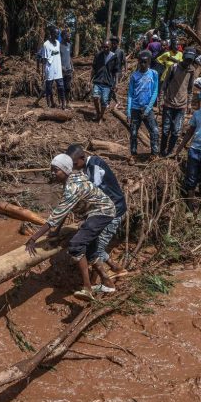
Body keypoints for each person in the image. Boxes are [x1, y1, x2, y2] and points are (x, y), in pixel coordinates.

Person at [25, 154, 117, 301]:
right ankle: (108, 283)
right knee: (91, 249)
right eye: (52, 170)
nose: (53, 173)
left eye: (56, 170)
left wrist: (33, 238)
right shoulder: (73, 178)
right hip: (97, 213)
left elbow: (56, 215)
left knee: (76, 245)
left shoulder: (73, 187)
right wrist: (56, 231)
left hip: (101, 213)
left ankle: (87, 288)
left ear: (66, 169)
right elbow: (64, 210)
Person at [66, 144, 127, 291]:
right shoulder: (87, 166)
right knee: (94, 242)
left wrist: (88, 218)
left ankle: (105, 283)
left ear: (82, 158)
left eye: (74, 164)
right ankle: (116, 268)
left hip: (113, 212)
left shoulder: (94, 166)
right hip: (108, 210)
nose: (73, 167)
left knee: (95, 248)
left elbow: (95, 193)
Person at [159, 47, 197, 157]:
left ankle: (170, 152)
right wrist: (161, 100)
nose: (188, 62)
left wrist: (189, 103)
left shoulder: (192, 70)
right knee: (166, 129)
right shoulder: (174, 67)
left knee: (176, 131)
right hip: (169, 103)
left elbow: (190, 89)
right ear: (183, 57)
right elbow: (164, 85)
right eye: (186, 59)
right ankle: (162, 152)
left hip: (181, 105)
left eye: (190, 60)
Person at [126, 50, 159, 156]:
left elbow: (155, 92)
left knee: (154, 131)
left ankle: (154, 154)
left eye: (145, 62)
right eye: (141, 62)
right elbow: (130, 94)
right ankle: (133, 154)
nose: (143, 64)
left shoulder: (154, 74)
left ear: (149, 61)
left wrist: (148, 108)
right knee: (134, 133)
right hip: (135, 108)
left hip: (147, 108)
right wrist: (128, 112)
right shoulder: (134, 76)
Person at [90, 40, 121, 123]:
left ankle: (101, 116)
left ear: (110, 47)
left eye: (107, 47)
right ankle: (98, 113)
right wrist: (90, 79)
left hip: (107, 82)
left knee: (104, 101)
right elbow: (93, 68)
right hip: (98, 80)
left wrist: (116, 83)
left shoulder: (114, 57)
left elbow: (116, 71)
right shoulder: (98, 55)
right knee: (95, 97)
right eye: (103, 47)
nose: (105, 48)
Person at [39, 26, 65, 110]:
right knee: (49, 87)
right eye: (56, 34)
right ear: (51, 34)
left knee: (61, 87)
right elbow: (44, 59)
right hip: (49, 69)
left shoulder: (58, 42)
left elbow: (58, 54)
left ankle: (63, 104)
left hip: (58, 69)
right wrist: (43, 73)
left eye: (58, 34)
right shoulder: (46, 44)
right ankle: (49, 104)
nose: (57, 35)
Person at [109, 36, 126, 110]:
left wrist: (125, 70)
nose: (113, 44)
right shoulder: (109, 51)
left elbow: (125, 61)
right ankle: (115, 101)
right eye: (112, 43)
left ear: (117, 43)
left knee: (113, 87)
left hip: (118, 72)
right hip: (110, 72)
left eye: (114, 43)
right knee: (110, 87)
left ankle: (113, 101)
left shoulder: (121, 51)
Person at [60, 28, 74, 105]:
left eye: (69, 36)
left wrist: (72, 66)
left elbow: (69, 57)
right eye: (67, 36)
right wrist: (61, 67)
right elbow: (58, 58)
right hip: (61, 70)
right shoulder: (59, 46)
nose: (69, 37)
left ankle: (68, 102)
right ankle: (62, 103)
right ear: (63, 36)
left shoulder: (69, 45)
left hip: (69, 70)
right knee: (61, 87)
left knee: (68, 87)